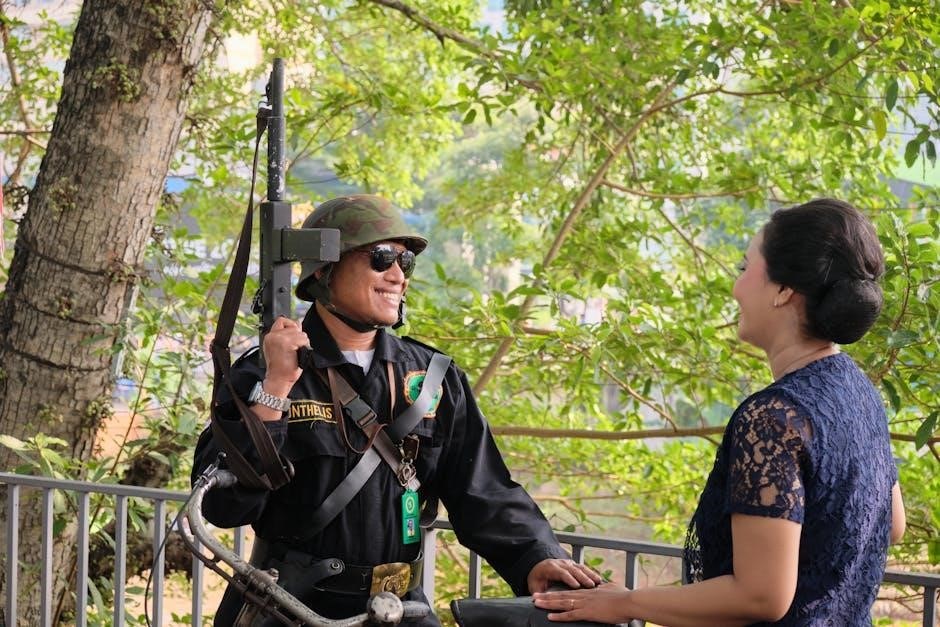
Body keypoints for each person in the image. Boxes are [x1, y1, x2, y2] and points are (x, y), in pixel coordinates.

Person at [192, 194, 601, 626]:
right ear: (324, 270)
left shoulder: (432, 378)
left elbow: (483, 490)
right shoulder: (264, 372)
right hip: (287, 608)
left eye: (406, 262)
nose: (397, 275)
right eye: (381, 258)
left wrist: (536, 557)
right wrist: (276, 386)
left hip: (400, 610)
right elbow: (222, 506)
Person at [533, 198, 906, 625]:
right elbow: (891, 524)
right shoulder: (859, 391)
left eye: (745, 268)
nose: (736, 287)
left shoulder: (774, 418)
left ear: (783, 290)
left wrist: (625, 603)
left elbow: (760, 597)